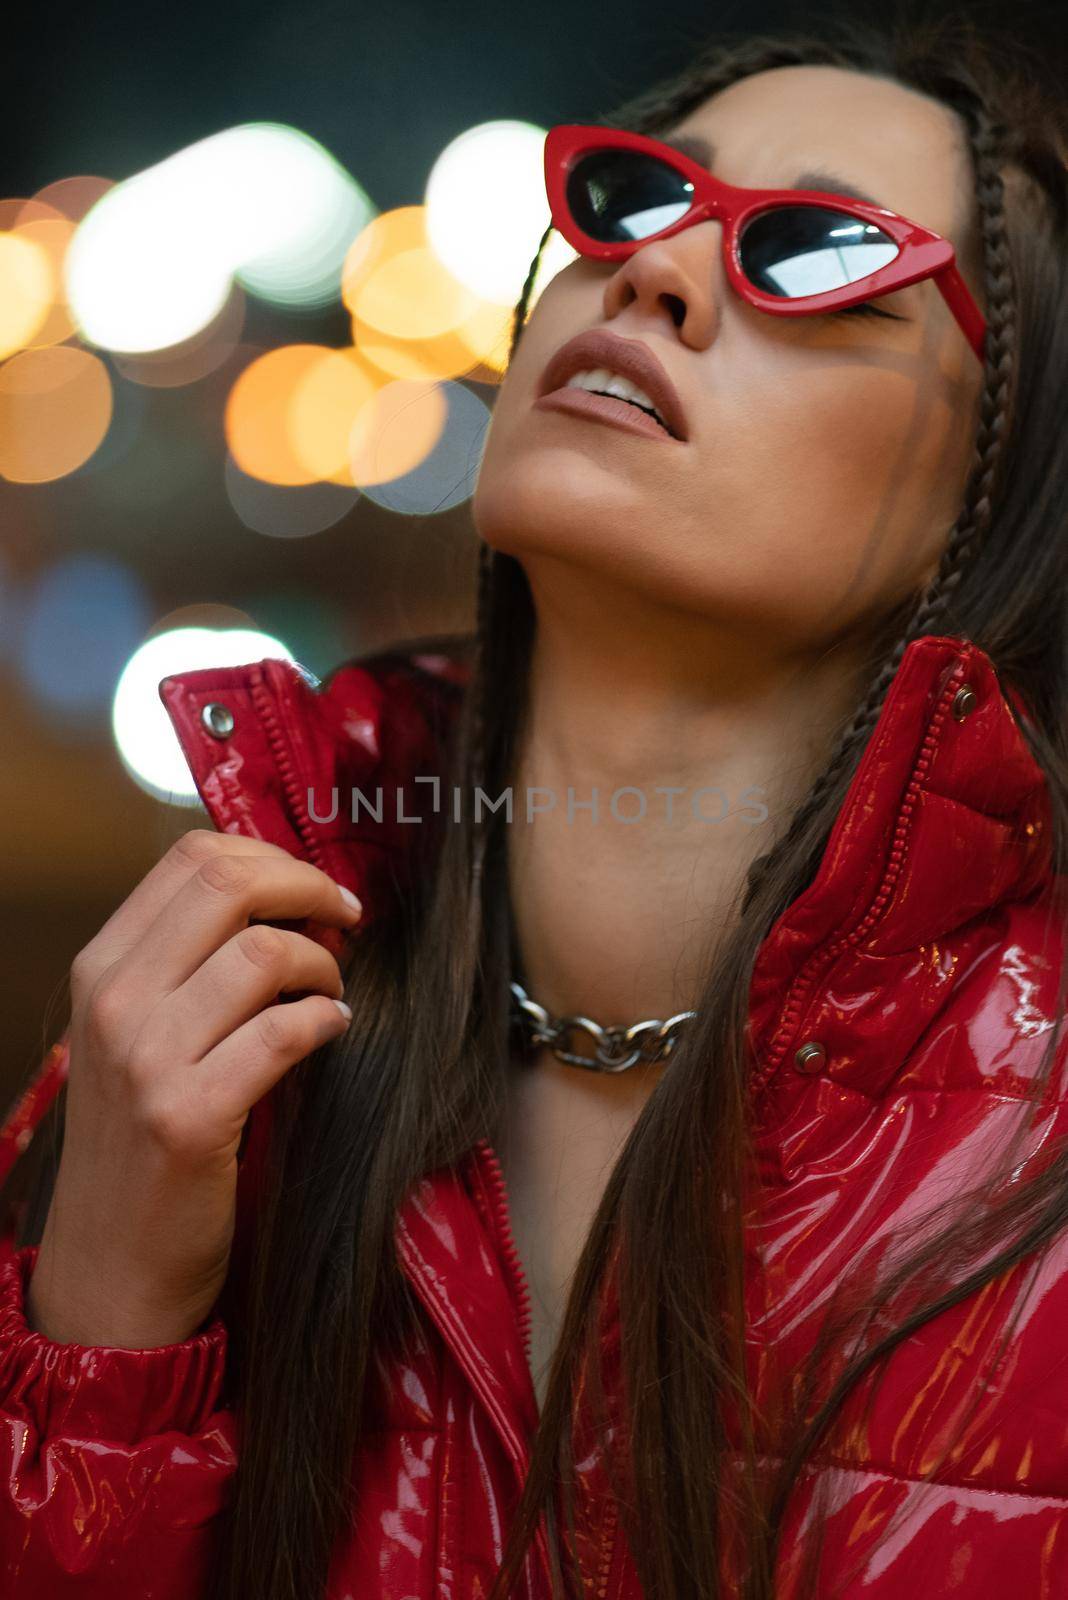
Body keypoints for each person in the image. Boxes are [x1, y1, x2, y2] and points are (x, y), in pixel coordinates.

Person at [2, 8, 1068, 1597]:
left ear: (992, 485)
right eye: (638, 200)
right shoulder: (213, 1015)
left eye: (817, 250)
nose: (658, 273)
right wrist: (101, 1344)